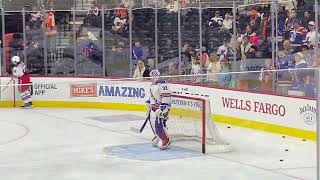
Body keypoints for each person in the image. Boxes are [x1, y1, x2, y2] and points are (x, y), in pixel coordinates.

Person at [146, 70, 171, 150]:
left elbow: (166, 96)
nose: (153, 77)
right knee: (154, 124)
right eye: (152, 76)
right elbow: (152, 97)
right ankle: (158, 136)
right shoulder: (152, 85)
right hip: (154, 108)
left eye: (155, 76)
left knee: (159, 124)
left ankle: (165, 139)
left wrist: (164, 108)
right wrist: (149, 103)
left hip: (161, 107)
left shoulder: (162, 83)